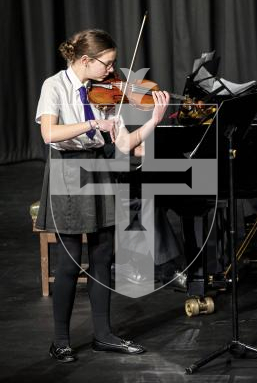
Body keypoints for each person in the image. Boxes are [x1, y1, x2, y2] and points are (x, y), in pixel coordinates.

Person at [35, 29, 169, 363]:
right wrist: (91, 125)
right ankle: (61, 340)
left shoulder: (104, 93)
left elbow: (123, 145)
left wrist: (153, 121)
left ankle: (104, 335)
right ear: (85, 60)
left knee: (103, 258)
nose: (112, 71)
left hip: (100, 169)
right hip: (67, 171)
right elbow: (50, 133)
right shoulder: (54, 86)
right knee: (68, 264)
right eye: (107, 64)